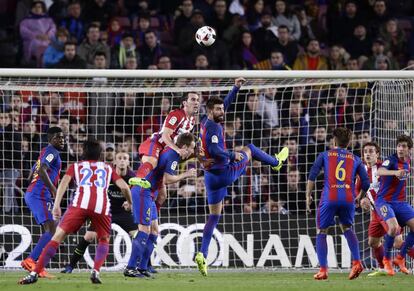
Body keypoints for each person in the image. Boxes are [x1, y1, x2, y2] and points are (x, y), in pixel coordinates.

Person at [195, 77, 289, 276]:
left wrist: (235, 87)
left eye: (222, 109)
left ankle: (202, 254)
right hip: (224, 173)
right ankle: (276, 163)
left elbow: (226, 104)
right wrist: (232, 154)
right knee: (251, 149)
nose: (223, 111)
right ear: (211, 111)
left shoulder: (206, 120)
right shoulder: (212, 128)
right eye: (219, 109)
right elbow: (214, 148)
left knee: (214, 216)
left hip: (210, 178)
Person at [18, 139, 132, 285]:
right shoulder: (108, 168)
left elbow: (63, 184)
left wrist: (57, 205)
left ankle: (34, 273)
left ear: (84, 152)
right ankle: (96, 271)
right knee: (104, 239)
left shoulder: (76, 167)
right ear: (100, 154)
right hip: (101, 207)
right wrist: (130, 202)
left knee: (57, 236)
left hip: (79, 205)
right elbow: (124, 187)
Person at [125, 133, 197, 277]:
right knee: (144, 229)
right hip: (142, 191)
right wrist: (186, 174)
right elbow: (167, 178)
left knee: (154, 231)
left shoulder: (172, 154)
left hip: (150, 193)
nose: (192, 152)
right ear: (184, 147)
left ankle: (142, 268)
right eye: (191, 149)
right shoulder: (173, 155)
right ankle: (130, 267)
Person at [306, 127, 370, 280]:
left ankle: (323, 269)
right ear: (349, 143)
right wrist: (359, 196)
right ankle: (356, 262)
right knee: (347, 228)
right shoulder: (355, 159)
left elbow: (313, 174)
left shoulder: (325, 155)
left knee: (322, 231)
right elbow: (366, 182)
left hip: (330, 197)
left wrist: (308, 195)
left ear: (334, 140)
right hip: (348, 198)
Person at [61, 151, 136, 273]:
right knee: (89, 237)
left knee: (139, 235)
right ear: (115, 161)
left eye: (125, 158)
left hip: (123, 213)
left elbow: (138, 194)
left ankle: (145, 266)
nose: (122, 160)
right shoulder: (108, 174)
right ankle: (70, 266)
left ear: (128, 162)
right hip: (106, 210)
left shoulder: (133, 178)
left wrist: (131, 202)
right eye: (119, 158)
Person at [132, 89, 201, 189]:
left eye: (198, 100)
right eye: (193, 100)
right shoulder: (176, 115)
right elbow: (165, 136)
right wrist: (178, 150)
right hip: (156, 143)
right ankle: (138, 179)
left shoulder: (192, 121)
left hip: (166, 150)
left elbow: (184, 140)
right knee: (152, 161)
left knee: (162, 194)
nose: (196, 103)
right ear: (185, 103)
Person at [21, 127, 65, 278]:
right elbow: (41, 171)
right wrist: (53, 189)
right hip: (39, 195)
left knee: (51, 229)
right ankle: (31, 260)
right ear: (51, 139)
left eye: (63, 138)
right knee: (53, 229)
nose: (62, 140)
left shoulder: (44, 152)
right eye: (59, 137)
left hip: (34, 193)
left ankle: (38, 266)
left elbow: (31, 174)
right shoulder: (52, 151)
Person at [374, 135, 414, 276]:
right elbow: (380, 171)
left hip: (400, 202)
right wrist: (394, 172)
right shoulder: (391, 160)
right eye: (399, 146)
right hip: (383, 201)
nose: (400, 149)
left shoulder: (408, 162)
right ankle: (386, 260)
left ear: (409, 149)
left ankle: (400, 258)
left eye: (403, 146)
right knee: (393, 228)